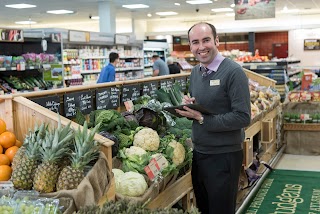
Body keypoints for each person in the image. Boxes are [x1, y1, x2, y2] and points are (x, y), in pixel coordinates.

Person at [175, 22, 251, 214]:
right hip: (200, 154)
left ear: (216, 41)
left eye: (206, 40)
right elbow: (207, 104)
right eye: (195, 42)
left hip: (224, 157)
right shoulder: (195, 72)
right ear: (190, 46)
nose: (201, 47)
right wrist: (190, 103)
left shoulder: (233, 72)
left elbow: (243, 117)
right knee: (205, 209)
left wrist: (202, 119)